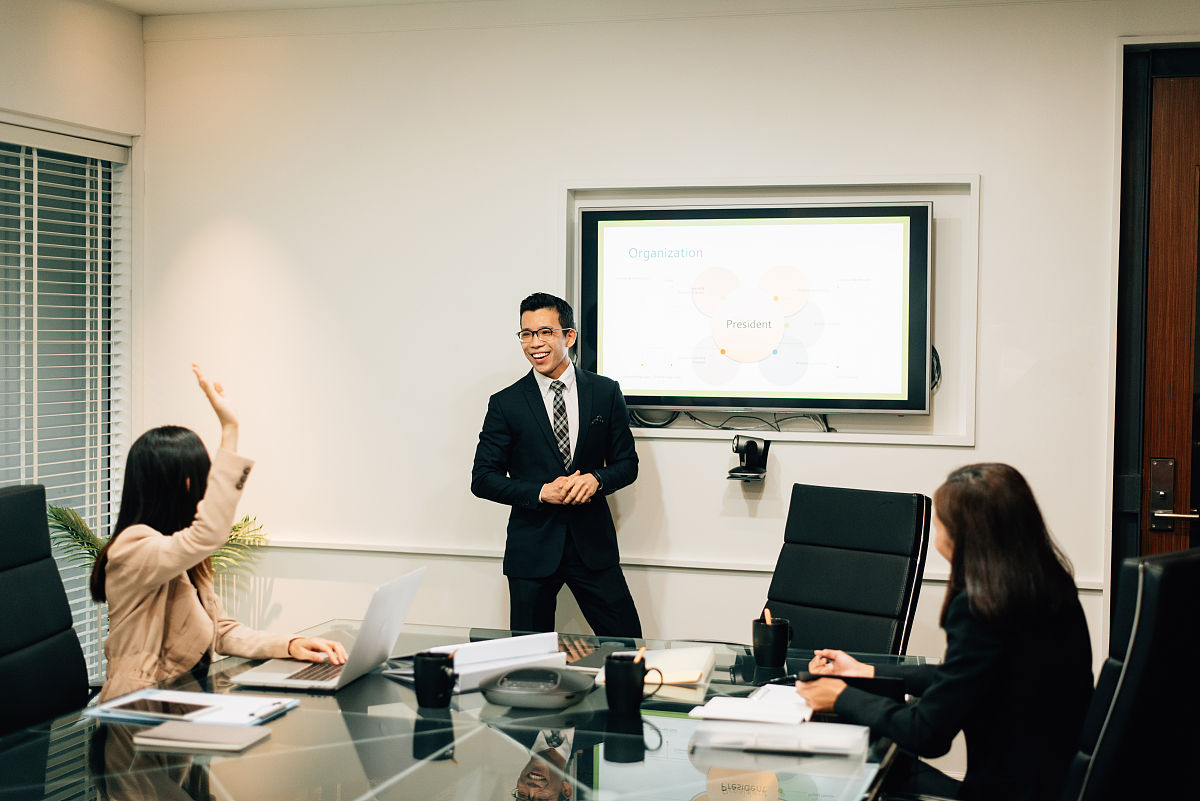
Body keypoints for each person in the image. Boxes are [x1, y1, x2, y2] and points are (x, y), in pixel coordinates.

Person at [796, 463, 1093, 801]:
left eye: (940, 524)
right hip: (1049, 785)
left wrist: (840, 696)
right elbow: (967, 677)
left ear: (964, 537)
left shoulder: (980, 607)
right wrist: (865, 671)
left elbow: (927, 733)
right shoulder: (1049, 585)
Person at [90, 365, 346, 702]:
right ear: (186, 483)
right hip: (139, 712)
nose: (207, 486)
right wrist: (230, 428)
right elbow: (209, 533)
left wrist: (289, 644)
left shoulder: (179, 555)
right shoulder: (134, 548)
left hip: (186, 703)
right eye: (204, 476)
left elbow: (220, 631)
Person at [471, 292, 642, 637]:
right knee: (528, 662)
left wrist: (597, 479)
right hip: (531, 552)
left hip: (593, 547)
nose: (535, 343)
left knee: (629, 646)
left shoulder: (605, 392)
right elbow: (483, 479)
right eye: (527, 334)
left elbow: (627, 463)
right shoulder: (506, 403)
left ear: (569, 336)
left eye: (545, 332)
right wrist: (540, 492)